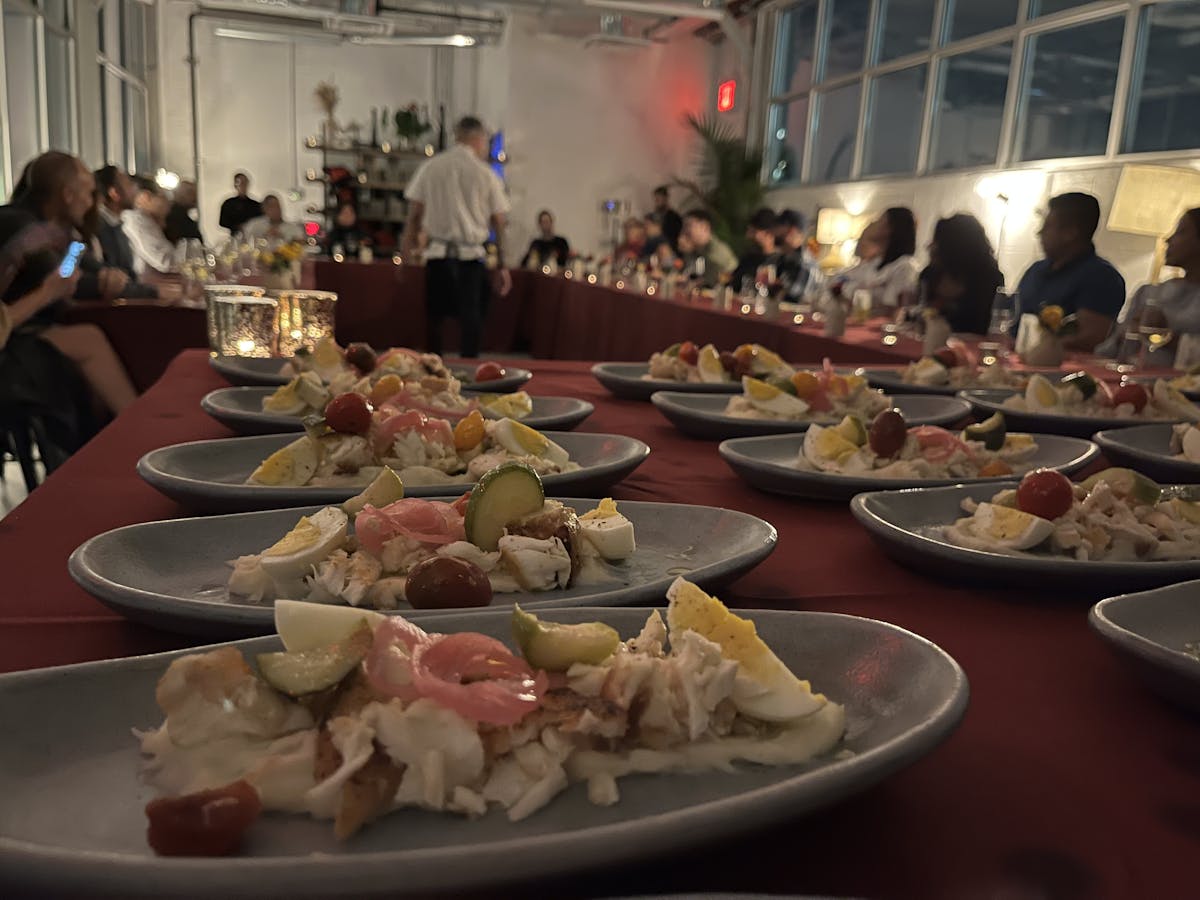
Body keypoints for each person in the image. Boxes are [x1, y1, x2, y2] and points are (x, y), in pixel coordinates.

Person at [0, 151, 137, 418]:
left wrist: (109, 274)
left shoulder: (58, 231)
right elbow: (63, 280)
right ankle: (138, 429)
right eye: (88, 194)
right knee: (90, 339)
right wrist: (145, 291)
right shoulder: (23, 227)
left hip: (24, 329)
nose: (91, 203)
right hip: (12, 344)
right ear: (67, 194)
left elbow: (78, 268)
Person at [401, 115, 511, 358]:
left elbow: (413, 217)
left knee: (435, 322)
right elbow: (500, 223)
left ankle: (431, 372)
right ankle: (471, 378)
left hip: (437, 256)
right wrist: (503, 265)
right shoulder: (486, 174)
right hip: (471, 258)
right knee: (472, 322)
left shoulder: (431, 167)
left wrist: (405, 255)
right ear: (478, 139)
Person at [1015, 192, 1125, 352]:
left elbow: (1089, 338)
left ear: (1070, 233)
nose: (1039, 233)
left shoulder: (1101, 277)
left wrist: (1032, 347)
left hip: (1060, 370)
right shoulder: (1035, 270)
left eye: (1047, 226)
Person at [1100, 208, 1200, 365]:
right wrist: (1126, 333)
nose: (1168, 240)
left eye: (1180, 232)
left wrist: (1164, 334)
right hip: (1130, 380)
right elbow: (1110, 351)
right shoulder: (1148, 292)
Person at [918, 214, 1004, 335]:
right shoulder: (929, 274)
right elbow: (917, 313)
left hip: (969, 348)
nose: (930, 246)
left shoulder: (989, 279)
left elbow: (982, 324)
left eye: (937, 240)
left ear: (955, 246)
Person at [92, 166, 163, 300]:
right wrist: (158, 293)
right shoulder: (100, 229)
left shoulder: (116, 225)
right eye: (128, 183)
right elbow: (115, 282)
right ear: (114, 193)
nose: (135, 189)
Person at [841, 207, 919, 308]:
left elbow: (893, 306)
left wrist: (860, 291)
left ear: (890, 229)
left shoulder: (905, 266)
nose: (873, 223)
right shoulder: (874, 262)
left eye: (880, 220)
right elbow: (841, 282)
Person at [122, 178, 176, 277]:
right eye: (163, 195)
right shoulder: (137, 220)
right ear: (146, 197)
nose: (169, 202)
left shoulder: (149, 220)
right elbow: (165, 261)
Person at [681, 209, 737, 289]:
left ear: (704, 227)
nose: (685, 231)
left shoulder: (717, 251)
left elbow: (711, 280)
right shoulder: (697, 249)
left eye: (689, 225)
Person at [730, 207, 780, 292]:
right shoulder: (748, 259)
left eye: (753, 232)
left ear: (769, 233)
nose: (748, 236)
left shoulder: (780, 263)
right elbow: (732, 284)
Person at [775, 208, 821, 300]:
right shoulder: (784, 258)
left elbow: (793, 298)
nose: (775, 232)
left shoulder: (805, 262)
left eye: (779, 226)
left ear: (792, 231)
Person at [219, 172, 262, 237]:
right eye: (241, 183)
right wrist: (237, 226)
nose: (243, 186)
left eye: (245, 183)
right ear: (235, 185)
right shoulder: (228, 204)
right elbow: (223, 222)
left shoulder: (256, 205)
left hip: (253, 237)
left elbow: (262, 221)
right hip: (236, 237)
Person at [165, 180, 203, 245]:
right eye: (190, 192)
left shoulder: (185, 216)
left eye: (195, 193)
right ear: (178, 194)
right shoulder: (175, 218)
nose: (194, 197)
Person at [651, 185, 682, 251]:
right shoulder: (652, 216)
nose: (657, 202)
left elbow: (675, 237)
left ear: (665, 199)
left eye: (659, 199)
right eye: (656, 199)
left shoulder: (674, 217)